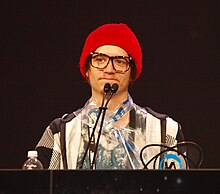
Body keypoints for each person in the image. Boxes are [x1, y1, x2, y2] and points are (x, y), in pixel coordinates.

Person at [35, 23, 185, 170]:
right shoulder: (59, 132)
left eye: (120, 62)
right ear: (87, 70)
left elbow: (180, 186)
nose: (109, 69)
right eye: (100, 60)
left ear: (132, 73)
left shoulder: (166, 131)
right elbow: (36, 184)